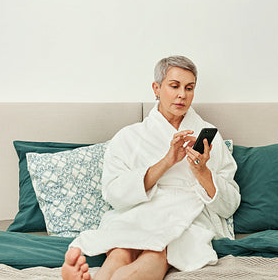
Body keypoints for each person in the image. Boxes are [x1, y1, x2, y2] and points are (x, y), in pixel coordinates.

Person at [62, 56, 240, 280]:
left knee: (156, 250)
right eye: (174, 86)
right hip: (139, 212)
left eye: (189, 88)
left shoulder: (207, 135)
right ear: (156, 88)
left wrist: (202, 171)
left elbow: (230, 204)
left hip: (185, 214)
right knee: (120, 252)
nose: (182, 95)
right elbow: (113, 193)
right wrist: (166, 162)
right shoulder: (129, 136)